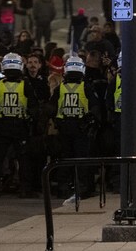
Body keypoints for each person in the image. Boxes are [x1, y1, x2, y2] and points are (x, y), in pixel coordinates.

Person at [0, 53, 39, 197]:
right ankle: (24, 189)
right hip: (20, 126)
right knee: (23, 159)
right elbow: (34, 107)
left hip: (2, 126)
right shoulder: (26, 85)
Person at [49, 56, 100, 198]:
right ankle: (83, 188)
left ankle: (63, 188)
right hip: (81, 129)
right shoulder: (86, 87)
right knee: (82, 160)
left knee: (65, 160)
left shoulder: (60, 89)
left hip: (64, 128)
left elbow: (51, 108)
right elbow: (95, 109)